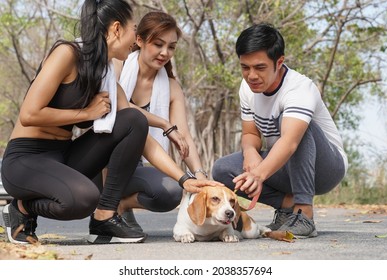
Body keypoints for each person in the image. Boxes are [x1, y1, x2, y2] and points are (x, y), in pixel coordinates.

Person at [1, 0, 220, 245]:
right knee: (83, 199)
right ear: (116, 29)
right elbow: (29, 114)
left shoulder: (103, 74)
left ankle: (105, 216)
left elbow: (140, 133)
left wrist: (185, 179)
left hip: (63, 155)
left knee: (133, 119)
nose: (135, 38)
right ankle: (21, 208)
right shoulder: (67, 54)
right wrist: (86, 113)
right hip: (25, 159)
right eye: (133, 30)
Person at [212, 23, 348, 238]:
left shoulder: (299, 88)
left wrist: (258, 174)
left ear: (279, 62)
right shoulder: (247, 88)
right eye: (245, 67)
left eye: (260, 67)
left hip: (326, 168)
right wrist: (251, 154)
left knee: (301, 128)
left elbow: (291, 142)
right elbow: (250, 134)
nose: (251, 75)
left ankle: (304, 213)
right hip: (286, 166)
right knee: (222, 169)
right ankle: (287, 207)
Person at [113, 11, 209, 231]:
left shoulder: (172, 87)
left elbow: (183, 134)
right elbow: (120, 108)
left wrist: (200, 176)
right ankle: (105, 207)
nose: (165, 52)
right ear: (139, 40)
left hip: (137, 166)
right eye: (158, 44)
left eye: (171, 47)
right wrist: (164, 124)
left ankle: (122, 206)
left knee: (171, 191)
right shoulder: (117, 67)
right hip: (103, 164)